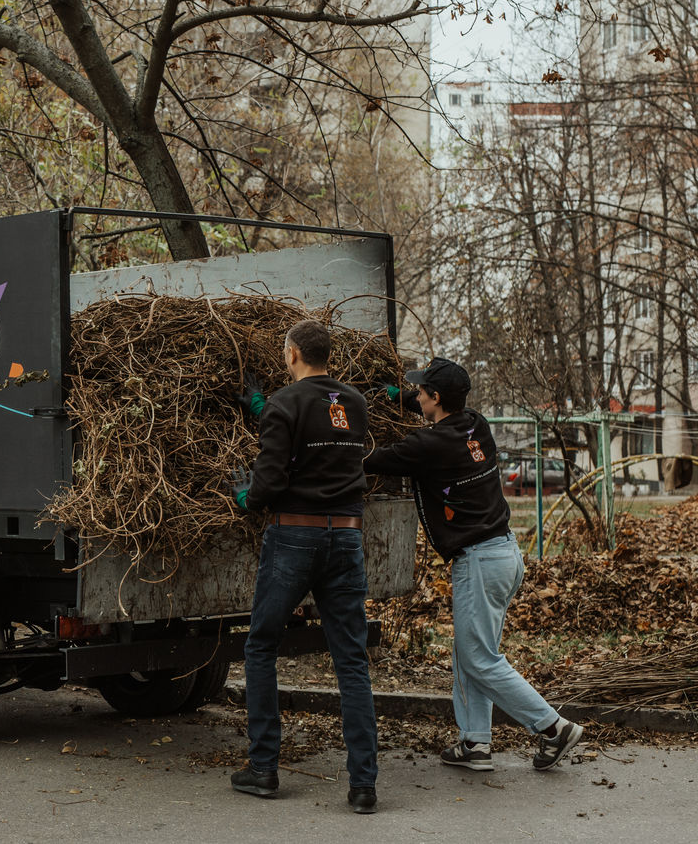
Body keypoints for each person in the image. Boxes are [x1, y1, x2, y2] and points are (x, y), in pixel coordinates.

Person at [364, 357, 584, 772]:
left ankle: (553, 729)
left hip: (480, 561)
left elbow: (371, 461)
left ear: (437, 397)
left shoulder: (429, 446)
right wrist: (399, 396)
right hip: (503, 553)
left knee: (480, 657)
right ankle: (475, 743)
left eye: (422, 391)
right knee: (473, 653)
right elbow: (428, 407)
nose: (418, 396)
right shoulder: (474, 424)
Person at [229, 319, 378, 814]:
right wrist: (263, 409)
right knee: (351, 659)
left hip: (295, 535)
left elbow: (268, 482)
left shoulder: (283, 405)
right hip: (347, 536)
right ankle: (363, 786)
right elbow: (319, 427)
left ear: (292, 354)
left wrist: (245, 496)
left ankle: (264, 769)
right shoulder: (354, 402)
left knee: (261, 645)